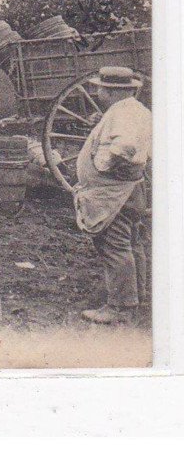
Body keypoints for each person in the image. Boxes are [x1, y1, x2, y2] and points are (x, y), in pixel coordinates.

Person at [73, 66, 152, 325]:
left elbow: (125, 147)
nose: (97, 92)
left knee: (114, 247)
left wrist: (101, 165)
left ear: (112, 91)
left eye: (100, 88)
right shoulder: (135, 110)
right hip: (130, 190)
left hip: (114, 194)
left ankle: (120, 307)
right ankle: (136, 296)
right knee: (132, 243)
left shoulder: (124, 114)